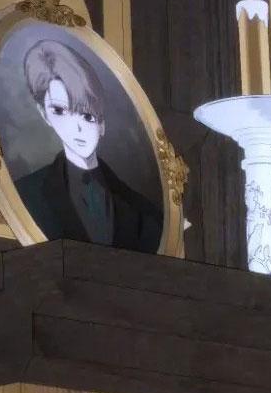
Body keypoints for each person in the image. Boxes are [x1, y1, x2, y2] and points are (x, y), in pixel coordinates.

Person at [14, 38, 163, 252]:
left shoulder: (144, 213)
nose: (77, 128)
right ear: (45, 114)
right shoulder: (26, 194)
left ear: (102, 123)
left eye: (87, 115)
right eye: (60, 111)